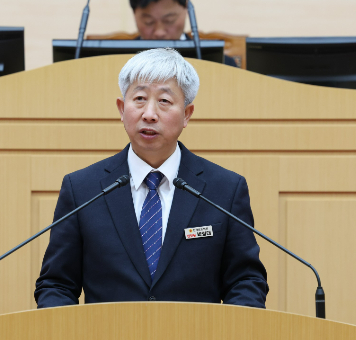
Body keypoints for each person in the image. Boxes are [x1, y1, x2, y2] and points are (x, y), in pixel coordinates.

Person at [34, 48, 267, 308]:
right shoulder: (82, 189)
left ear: (187, 114)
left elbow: (245, 281)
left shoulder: (224, 189)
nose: (149, 114)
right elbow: (57, 284)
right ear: (122, 109)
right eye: (140, 98)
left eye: (164, 101)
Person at [130, 0, 239, 67]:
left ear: (186, 8)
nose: (159, 32)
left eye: (169, 20)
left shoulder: (222, 65)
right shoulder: (116, 60)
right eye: (149, 22)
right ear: (134, 14)